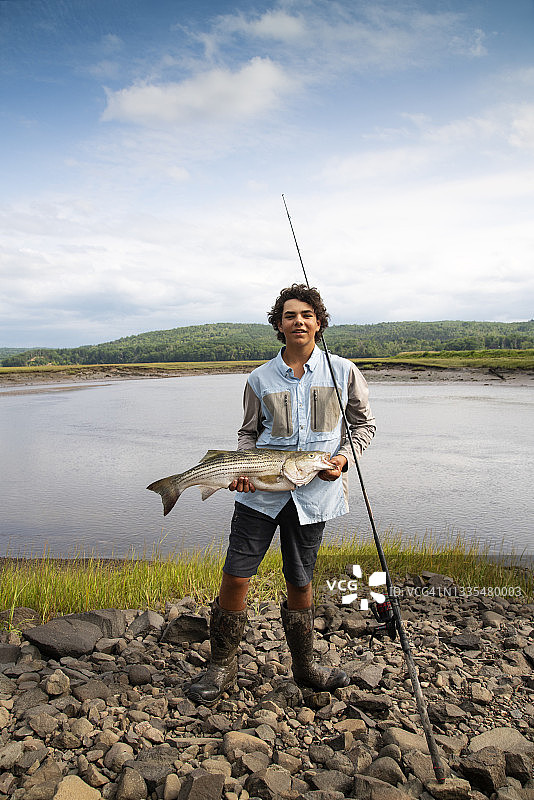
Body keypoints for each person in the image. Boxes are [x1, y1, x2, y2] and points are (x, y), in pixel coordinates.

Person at [187, 284, 376, 705]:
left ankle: (305, 666)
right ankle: (221, 666)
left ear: (319, 322)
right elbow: (249, 434)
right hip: (258, 494)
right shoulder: (259, 378)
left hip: (315, 496)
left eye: (307, 314)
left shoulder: (343, 372)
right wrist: (240, 468)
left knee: (300, 580)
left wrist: (343, 459)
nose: (299, 322)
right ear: (279, 324)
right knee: (236, 574)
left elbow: (364, 427)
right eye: (290, 315)